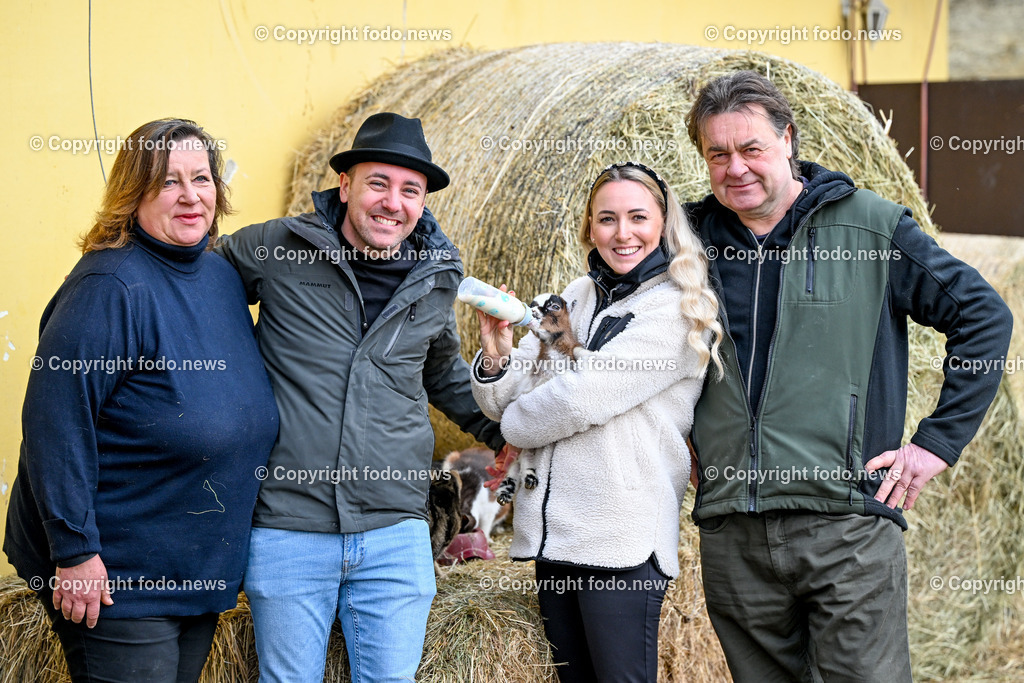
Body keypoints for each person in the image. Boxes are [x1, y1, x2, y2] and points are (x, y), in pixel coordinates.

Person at [684, 70, 1013, 682]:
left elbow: (984, 317)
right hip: (733, 536)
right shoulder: (686, 242)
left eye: (751, 148)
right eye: (718, 153)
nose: (736, 168)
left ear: (788, 139)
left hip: (847, 528)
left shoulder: (870, 226)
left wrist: (934, 445)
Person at [214, 112, 505, 683]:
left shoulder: (437, 274)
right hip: (289, 527)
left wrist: (506, 435)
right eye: (378, 183)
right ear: (344, 185)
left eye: (410, 190)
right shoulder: (277, 247)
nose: (392, 202)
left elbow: (442, 372)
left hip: (396, 530)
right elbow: (188, 289)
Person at [3, 118, 280, 682]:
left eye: (201, 179)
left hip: (193, 564)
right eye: (167, 181)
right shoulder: (111, 286)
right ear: (133, 194)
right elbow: (56, 421)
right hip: (119, 573)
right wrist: (74, 551)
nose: (189, 196)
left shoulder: (219, 276)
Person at [471, 161, 722, 682]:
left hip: (621, 539)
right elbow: (503, 399)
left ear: (663, 222)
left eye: (637, 217)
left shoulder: (677, 310)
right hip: (556, 535)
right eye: (607, 219)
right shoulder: (575, 296)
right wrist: (496, 356)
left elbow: (580, 400)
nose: (622, 233)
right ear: (589, 226)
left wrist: (518, 420)